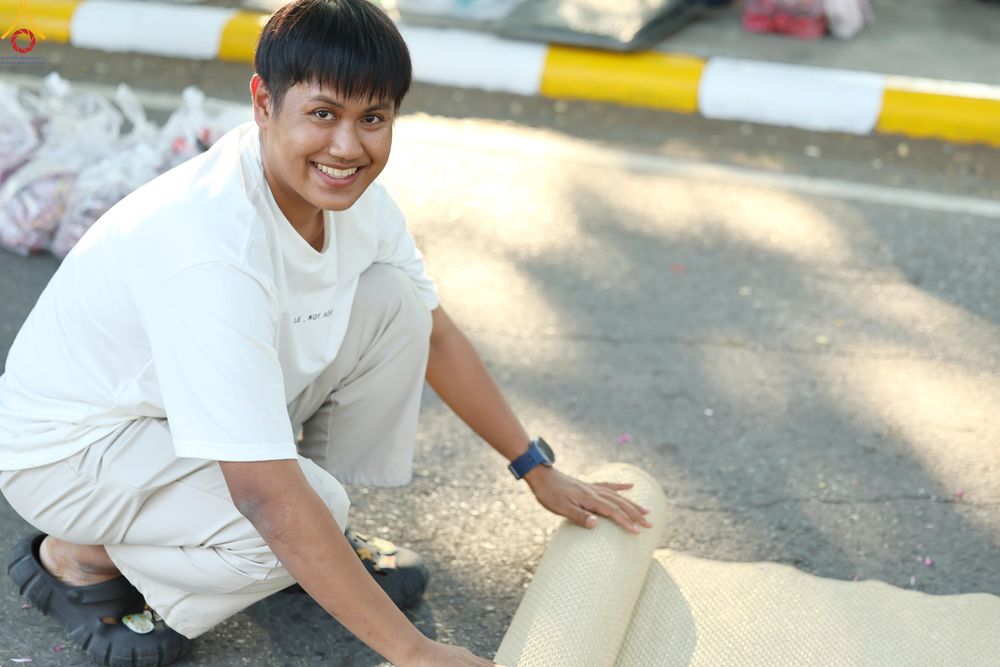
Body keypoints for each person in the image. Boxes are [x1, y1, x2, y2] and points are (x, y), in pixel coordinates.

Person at [0, 0, 652, 665]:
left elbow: (435, 335)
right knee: (282, 516)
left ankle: (310, 541)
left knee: (394, 301)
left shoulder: (355, 203)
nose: (347, 147)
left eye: (373, 119)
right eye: (322, 114)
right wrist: (415, 653)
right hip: (75, 453)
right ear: (264, 102)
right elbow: (263, 492)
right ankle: (80, 557)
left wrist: (535, 468)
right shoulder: (213, 249)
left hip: (175, 414)